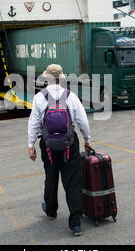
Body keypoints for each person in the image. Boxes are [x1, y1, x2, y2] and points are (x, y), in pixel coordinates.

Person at [28, 64, 92, 237]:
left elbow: (34, 123)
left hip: (48, 144)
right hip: (69, 144)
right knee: (72, 181)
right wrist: (87, 140)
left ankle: (51, 210)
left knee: (51, 176)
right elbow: (82, 121)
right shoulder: (70, 96)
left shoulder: (39, 97)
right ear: (61, 78)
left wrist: (30, 145)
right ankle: (76, 223)